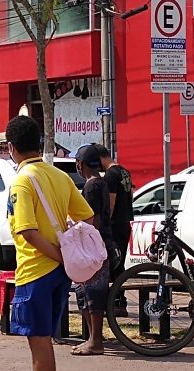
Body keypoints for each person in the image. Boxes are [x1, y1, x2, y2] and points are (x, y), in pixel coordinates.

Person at [5, 116, 94, 371]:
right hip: (59, 273)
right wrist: (66, 250)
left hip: (35, 268)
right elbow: (87, 216)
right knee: (41, 338)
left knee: (40, 342)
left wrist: (58, 253)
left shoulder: (21, 181)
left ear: (11, 147)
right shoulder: (59, 175)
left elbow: (27, 232)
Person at [71, 144, 113, 356]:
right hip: (102, 243)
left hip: (94, 246)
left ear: (82, 164)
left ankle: (95, 340)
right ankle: (91, 338)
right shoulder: (102, 183)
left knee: (92, 292)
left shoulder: (91, 187)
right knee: (85, 291)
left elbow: (92, 219)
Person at [96, 144, 133, 317]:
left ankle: (118, 301)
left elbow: (110, 203)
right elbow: (130, 196)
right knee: (120, 261)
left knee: (114, 263)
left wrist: (105, 222)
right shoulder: (125, 172)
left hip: (115, 225)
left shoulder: (110, 175)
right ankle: (119, 300)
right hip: (125, 222)